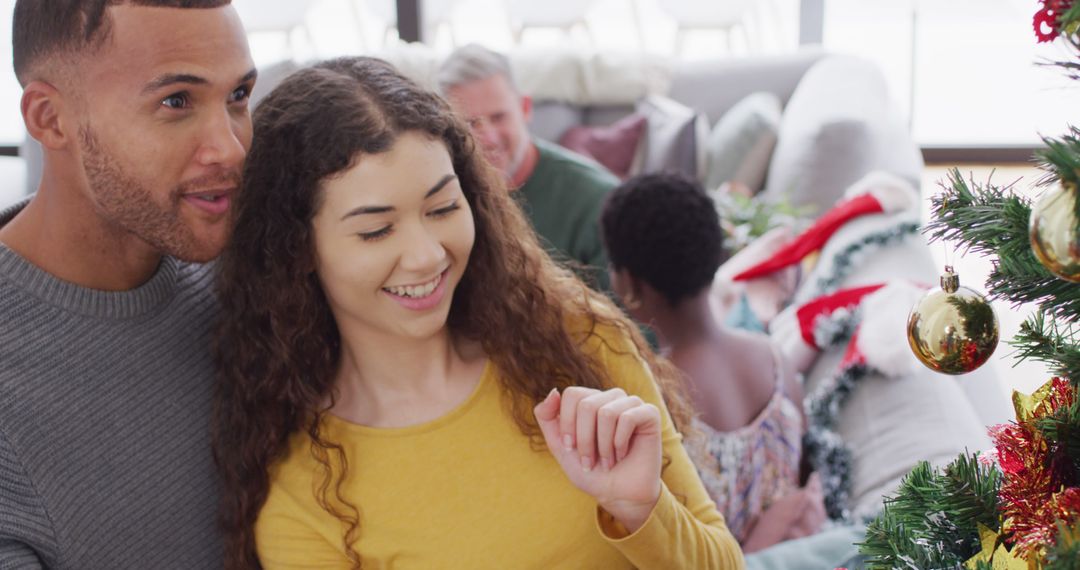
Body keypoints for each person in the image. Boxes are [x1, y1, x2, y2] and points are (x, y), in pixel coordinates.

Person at [213, 56, 743, 570]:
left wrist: (642, 510)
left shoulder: (581, 339)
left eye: (443, 208)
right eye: (376, 230)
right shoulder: (306, 492)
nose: (428, 255)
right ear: (296, 249)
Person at [0, 1, 255, 567]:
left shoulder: (257, 273)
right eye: (176, 101)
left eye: (238, 96)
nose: (230, 148)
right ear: (49, 118)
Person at [599, 173, 825, 552]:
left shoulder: (651, 398)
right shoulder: (774, 358)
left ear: (630, 284)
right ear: (715, 253)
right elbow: (803, 473)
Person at [436, 44, 616, 292]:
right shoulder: (439, 195)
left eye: (499, 117)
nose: (487, 137)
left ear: (525, 108)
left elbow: (633, 322)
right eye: (470, 123)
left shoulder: (598, 200)